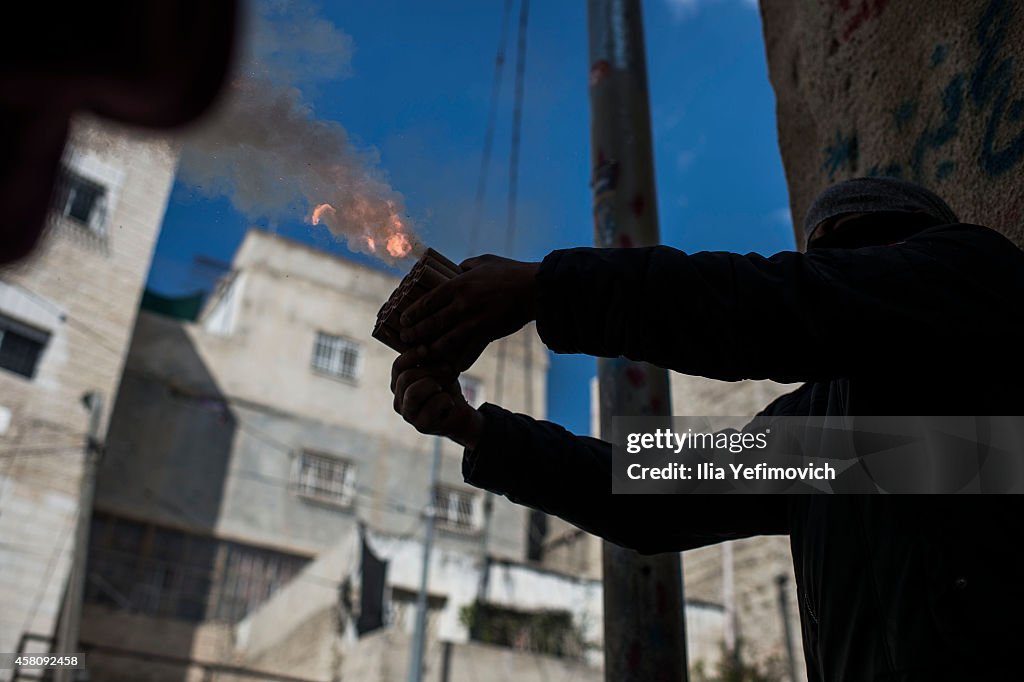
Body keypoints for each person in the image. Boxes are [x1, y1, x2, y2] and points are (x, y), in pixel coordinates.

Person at [390, 177, 1024, 682]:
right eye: (833, 256)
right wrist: (479, 432)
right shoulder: (828, 440)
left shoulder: (976, 280)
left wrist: (543, 290)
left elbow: (772, 307)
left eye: (874, 250)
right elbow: (658, 490)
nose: (853, 269)